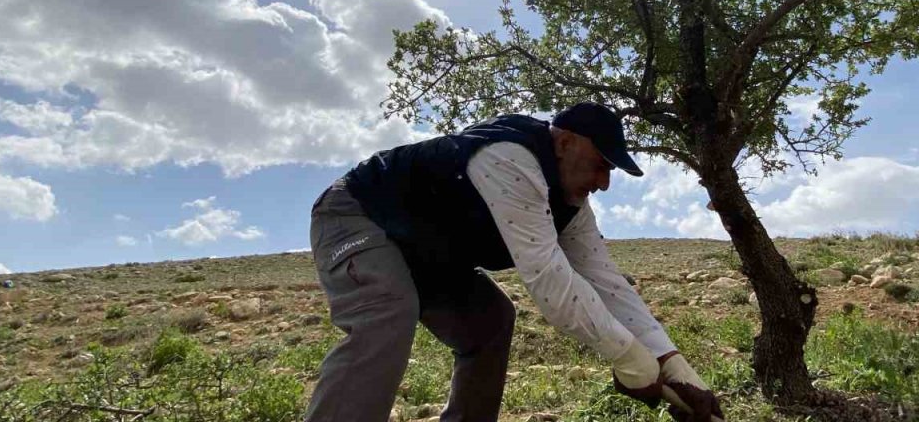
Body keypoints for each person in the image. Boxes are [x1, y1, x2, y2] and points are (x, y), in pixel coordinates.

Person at [305, 102, 725, 422]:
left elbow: (605, 281)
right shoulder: (510, 157)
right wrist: (629, 357)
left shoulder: (572, 205)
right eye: (601, 165)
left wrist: (671, 362)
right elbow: (550, 279)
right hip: (359, 214)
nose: (604, 183)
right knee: (388, 309)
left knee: (489, 320)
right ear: (564, 143)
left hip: (426, 251)